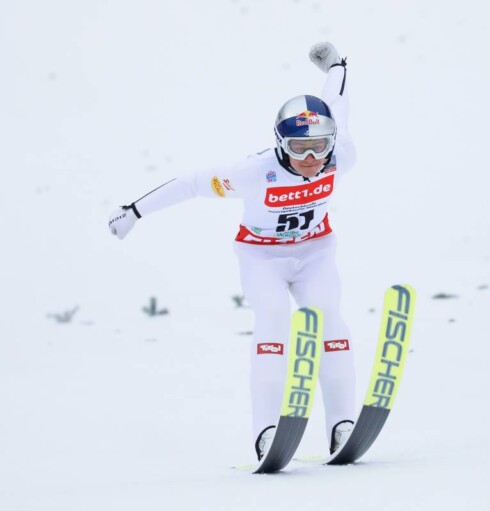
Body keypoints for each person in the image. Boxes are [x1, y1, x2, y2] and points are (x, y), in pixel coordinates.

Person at [107, 42, 356, 460]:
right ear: (280, 144)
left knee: (328, 314)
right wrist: (135, 210)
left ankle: (342, 425)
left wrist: (336, 66)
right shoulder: (253, 173)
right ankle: (267, 431)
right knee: (273, 316)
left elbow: (338, 103)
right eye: (299, 148)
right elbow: (191, 184)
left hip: (315, 252)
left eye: (319, 145)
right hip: (262, 258)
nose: (312, 157)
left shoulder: (341, 155)